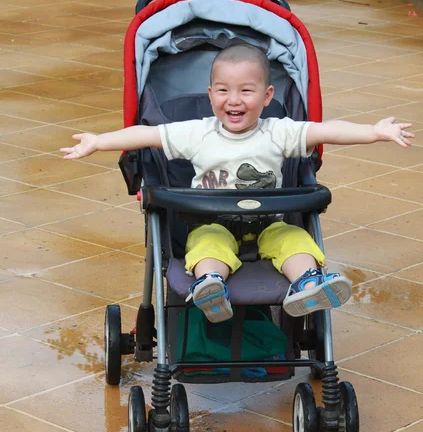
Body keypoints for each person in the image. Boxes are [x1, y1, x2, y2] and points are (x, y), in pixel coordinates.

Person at [61, 44, 414, 323]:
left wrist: (374, 132)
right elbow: (147, 133)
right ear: (210, 93)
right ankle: (210, 286)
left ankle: (307, 284)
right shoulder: (196, 133)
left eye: (247, 90)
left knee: (294, 239)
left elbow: (327, 129)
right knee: (207, 246)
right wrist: (99, 140)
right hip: (213, 222)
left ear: (266, 95)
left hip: (268, 225)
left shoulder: (280, 131)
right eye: (223, 90)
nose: (234, 100)